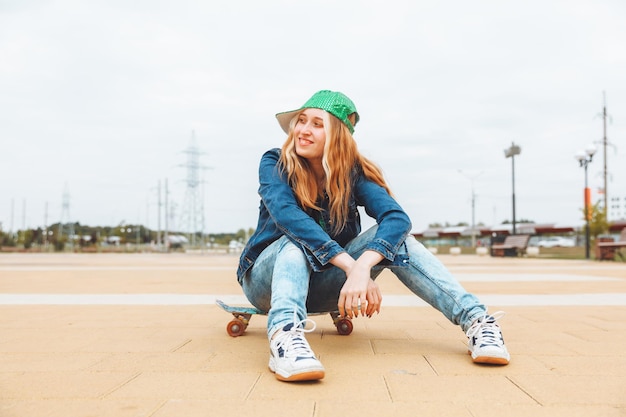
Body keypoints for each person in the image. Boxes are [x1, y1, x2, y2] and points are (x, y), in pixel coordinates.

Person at [236, 90, 510, 382]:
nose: (303, 130)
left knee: (397, 238)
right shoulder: (275, 162)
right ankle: (285, 338)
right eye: (301, 121)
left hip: (326, 288)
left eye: (317, 124)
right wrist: (350, 265)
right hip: (266, 283)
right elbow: (287, 214)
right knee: (294, 241)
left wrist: (363, 265)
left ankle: (478, 322)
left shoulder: (352, 173)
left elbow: (396, 218)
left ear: (337, 135)